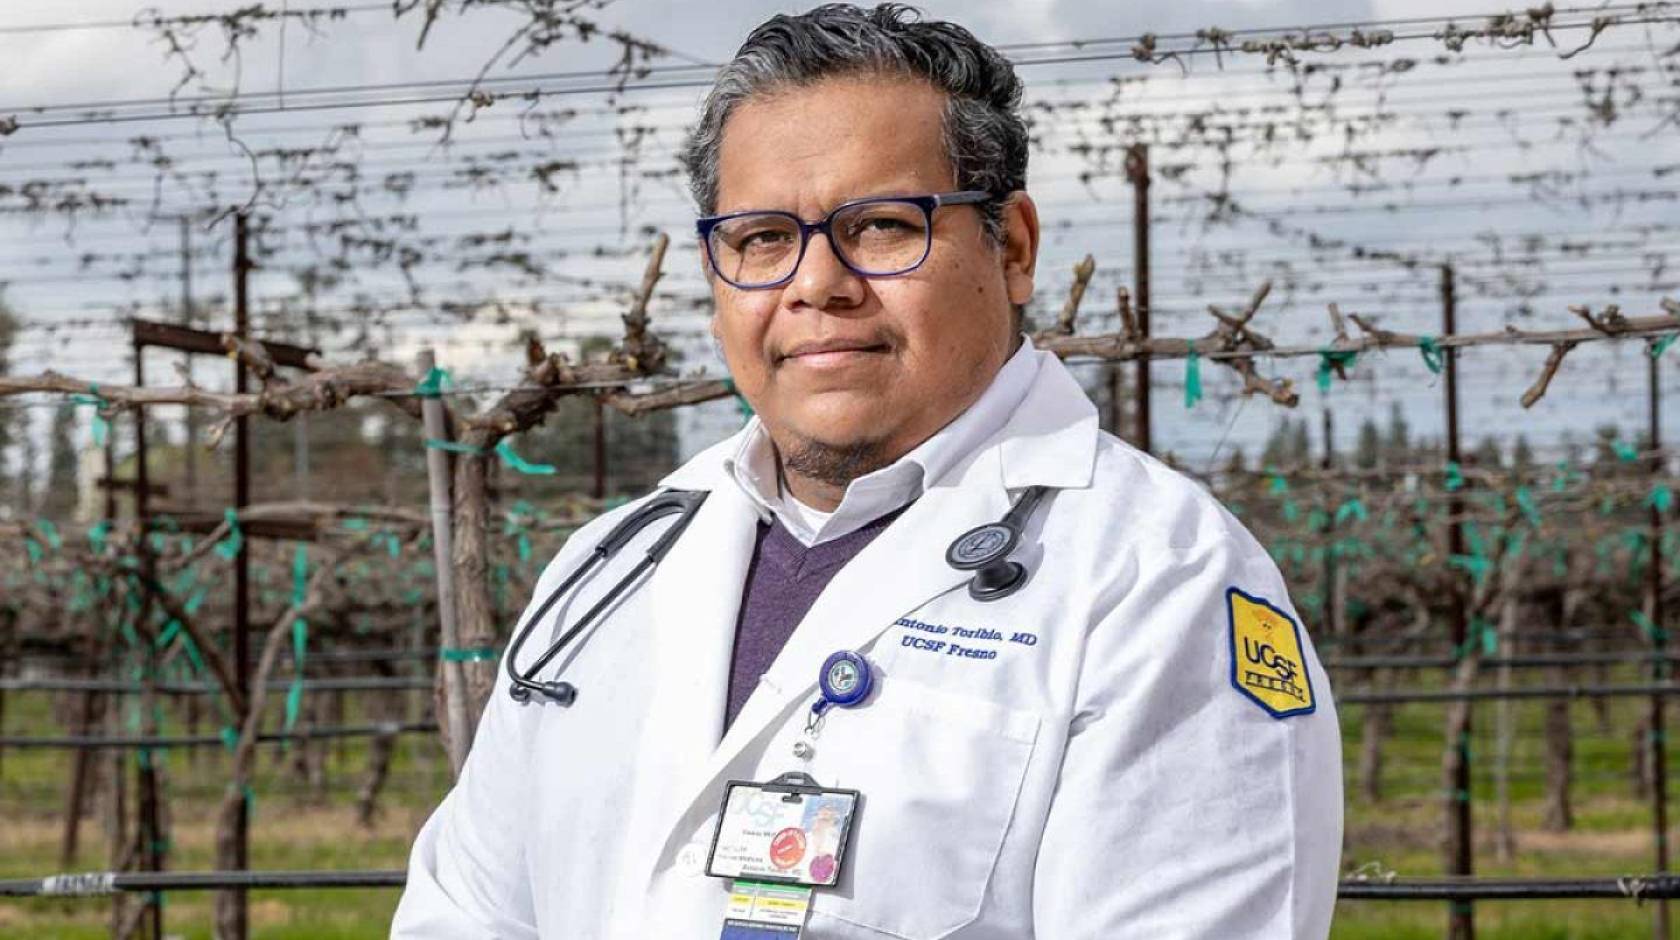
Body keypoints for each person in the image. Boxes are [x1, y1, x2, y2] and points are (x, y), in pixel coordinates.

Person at [392, 5, 1342, 937]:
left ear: (1012, 248)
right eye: (762, 238)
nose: (816, 284)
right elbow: (464, 912)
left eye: (883, 225)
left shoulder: (1156, 584)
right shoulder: (610, 570)